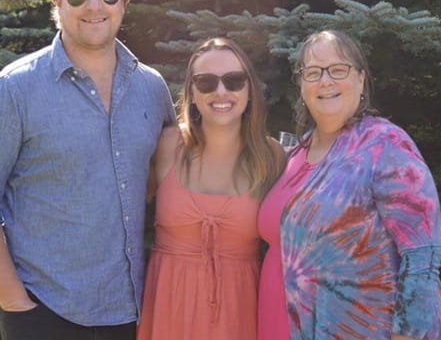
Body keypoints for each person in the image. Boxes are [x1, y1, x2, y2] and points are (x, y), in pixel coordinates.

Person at [0, 0, 175, 340]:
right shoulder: (15, 89)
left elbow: (166, 180)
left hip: (130, 313)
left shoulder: (152, 89)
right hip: (43, 313)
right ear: (57, 2)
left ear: (124, 1)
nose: (94, 6)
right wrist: (14, 302)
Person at [258, 29, 441, 340]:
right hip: (277, 325)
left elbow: (425, 254)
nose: (325, 81)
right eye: (313, 72)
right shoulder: (296, 152)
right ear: (301, 86)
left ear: (361, 79)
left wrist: (409, 335)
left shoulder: (385, 144)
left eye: (338, 69)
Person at [136, 37, 286, 340]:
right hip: (168, 311)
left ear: (250, 89)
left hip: (241, 315)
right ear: (191, 90)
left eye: (234, 81)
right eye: (206, 82)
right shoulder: (166, 146)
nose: (221, 92)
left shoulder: (272, 158)